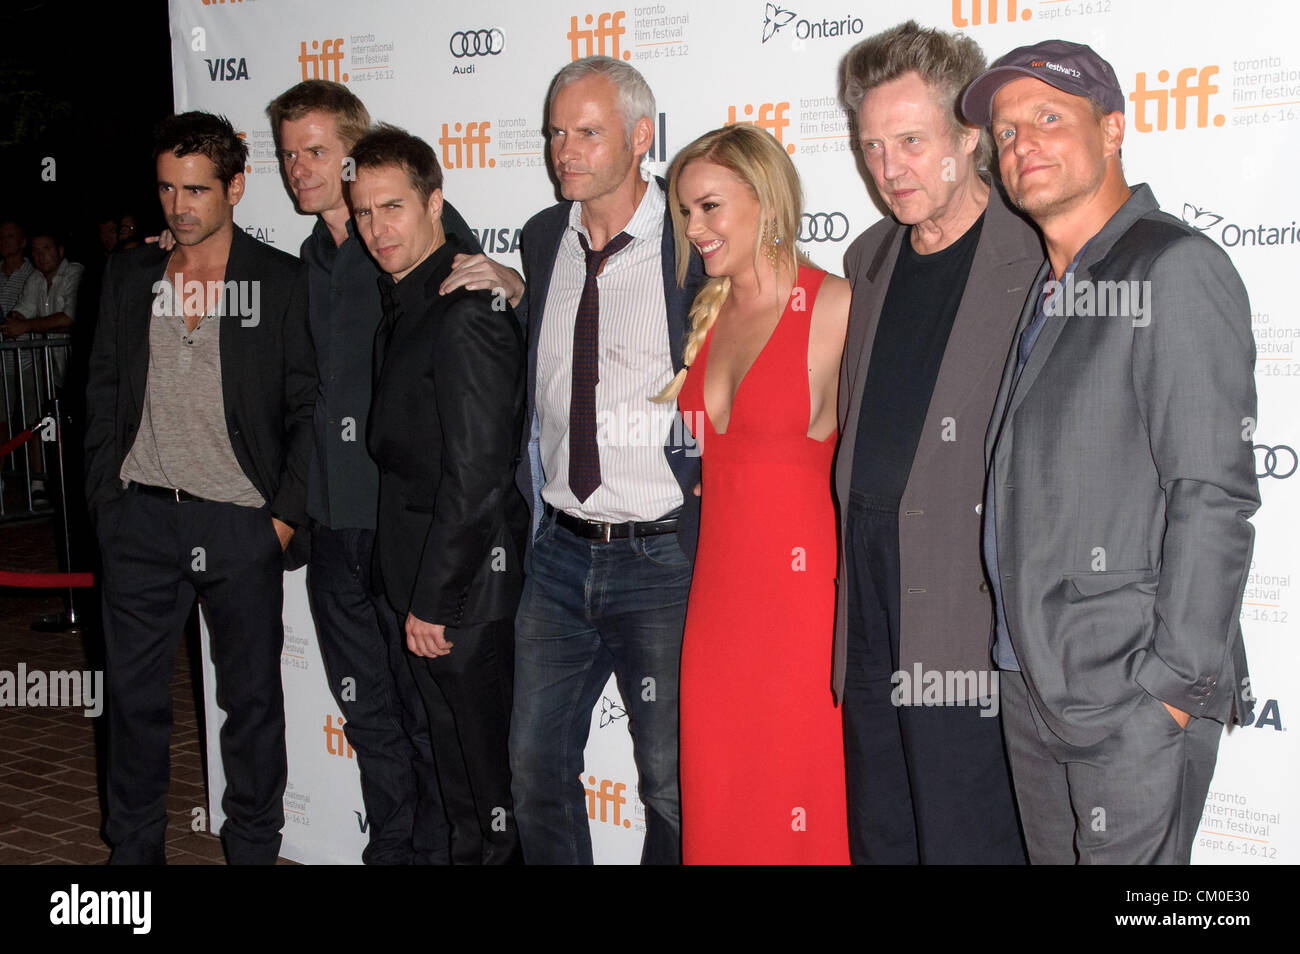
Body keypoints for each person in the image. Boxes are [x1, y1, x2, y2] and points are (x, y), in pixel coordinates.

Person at [962, 39, 1259, 863]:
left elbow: (1215, 493)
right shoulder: (1051, 285)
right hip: (1031, 682)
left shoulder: (1172, 267)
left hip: (1128, 693)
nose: (1021, 145)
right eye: (1007, 131)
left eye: (1048, 119)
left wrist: (1168, 692)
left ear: (1114, 128)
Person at [441, 55, 705, 864]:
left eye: (587, 132)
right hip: (556, 552)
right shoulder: (543, 235)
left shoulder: (690, 245)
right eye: (557, 131)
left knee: (667, 780)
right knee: (534, 770)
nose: (566, 149)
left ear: (640, 136)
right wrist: (519, 290)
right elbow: (559, 345)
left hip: (660, 557)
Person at [84, 111, 315, 864]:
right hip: (141, 521)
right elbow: (102, 396)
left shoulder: (279, 283)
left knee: (250, 707)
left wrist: (278, 522)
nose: (178, 207)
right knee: (133, 704)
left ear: (236, 187)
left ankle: (252, 849)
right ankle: (133, 858)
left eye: (195, 190)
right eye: (165, 189)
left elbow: (309, 410)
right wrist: (105, 506)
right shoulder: (127, 274)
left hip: (240, 525)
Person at [833, 20, 1035, 865]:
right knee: (882, 830)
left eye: (911, 141)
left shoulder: (1034, 255)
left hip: (966, 599)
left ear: (969, 136)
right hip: (868, 588)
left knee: (966, 837)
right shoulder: (868, 257)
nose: (889, 170)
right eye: (873, 146)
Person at [266, 78, 481, 865]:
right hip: (330, 526)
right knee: (367, 714)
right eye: (289, 154)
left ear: (356, 154)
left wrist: (512, 283)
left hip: (398, 526)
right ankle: (392, 852)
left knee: (425, 713)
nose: (299, 168)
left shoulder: (410, 238)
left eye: (316, 151)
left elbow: (478, 295)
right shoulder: (311, 257)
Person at [661, 123, 850, 863]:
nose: (695, 228)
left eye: (709, 207)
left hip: (800, 612)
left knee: (798, 797)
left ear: (765, 199)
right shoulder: (707, 313)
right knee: (720, 799)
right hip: (715, 605)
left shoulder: (835, 306)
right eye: (685, 213)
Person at [350, 124, 526, 864]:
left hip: (459, 598)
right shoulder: (410, 297)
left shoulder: (463, 306)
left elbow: (478, 476)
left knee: (488, 799)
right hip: (424, 582)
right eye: (362, 213)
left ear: (434, 202)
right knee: (459, 788)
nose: (376, 228)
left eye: (392, 207)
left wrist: (435, 599)